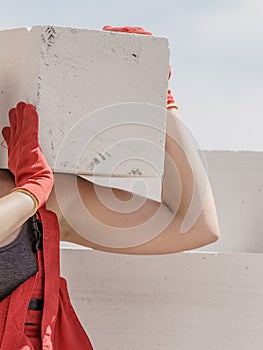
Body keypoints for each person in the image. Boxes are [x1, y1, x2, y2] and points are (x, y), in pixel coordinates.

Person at [0, 26, 220, 349]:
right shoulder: (33, 189)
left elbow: (194, 225)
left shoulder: (43, 199)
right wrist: (30, 192)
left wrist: (159, 97)